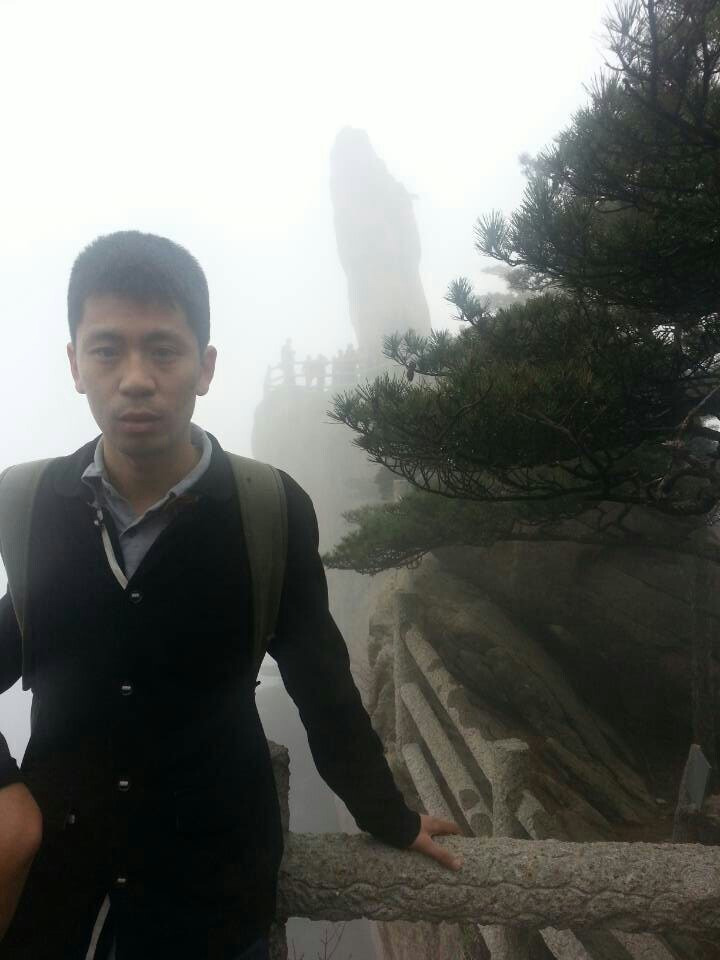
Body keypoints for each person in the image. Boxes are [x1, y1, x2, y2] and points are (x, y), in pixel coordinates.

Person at [0, 231, 460, 960]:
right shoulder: (29, 504)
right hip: (57, 897)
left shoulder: (266, 510)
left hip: (211, 898)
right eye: (107, 350)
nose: (136, 378)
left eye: (163, 350)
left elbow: (320, 679)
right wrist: (6, 796)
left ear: (206, 367)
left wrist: (388, 816)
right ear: (75, 365)